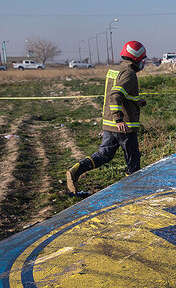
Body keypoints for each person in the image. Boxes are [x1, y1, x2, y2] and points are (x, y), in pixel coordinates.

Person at [66, 41, 147, 194]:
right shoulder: (129, 73)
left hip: (109, 124)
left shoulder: (116, 70)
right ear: (136, 58)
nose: (143, 63)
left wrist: (136, 100)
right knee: (133, 160)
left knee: (104, 155)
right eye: (142, 59)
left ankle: (77, 170)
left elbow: (119, 94)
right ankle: (132, 191)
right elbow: (115, 95)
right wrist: (119, 119)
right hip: (124, 126)